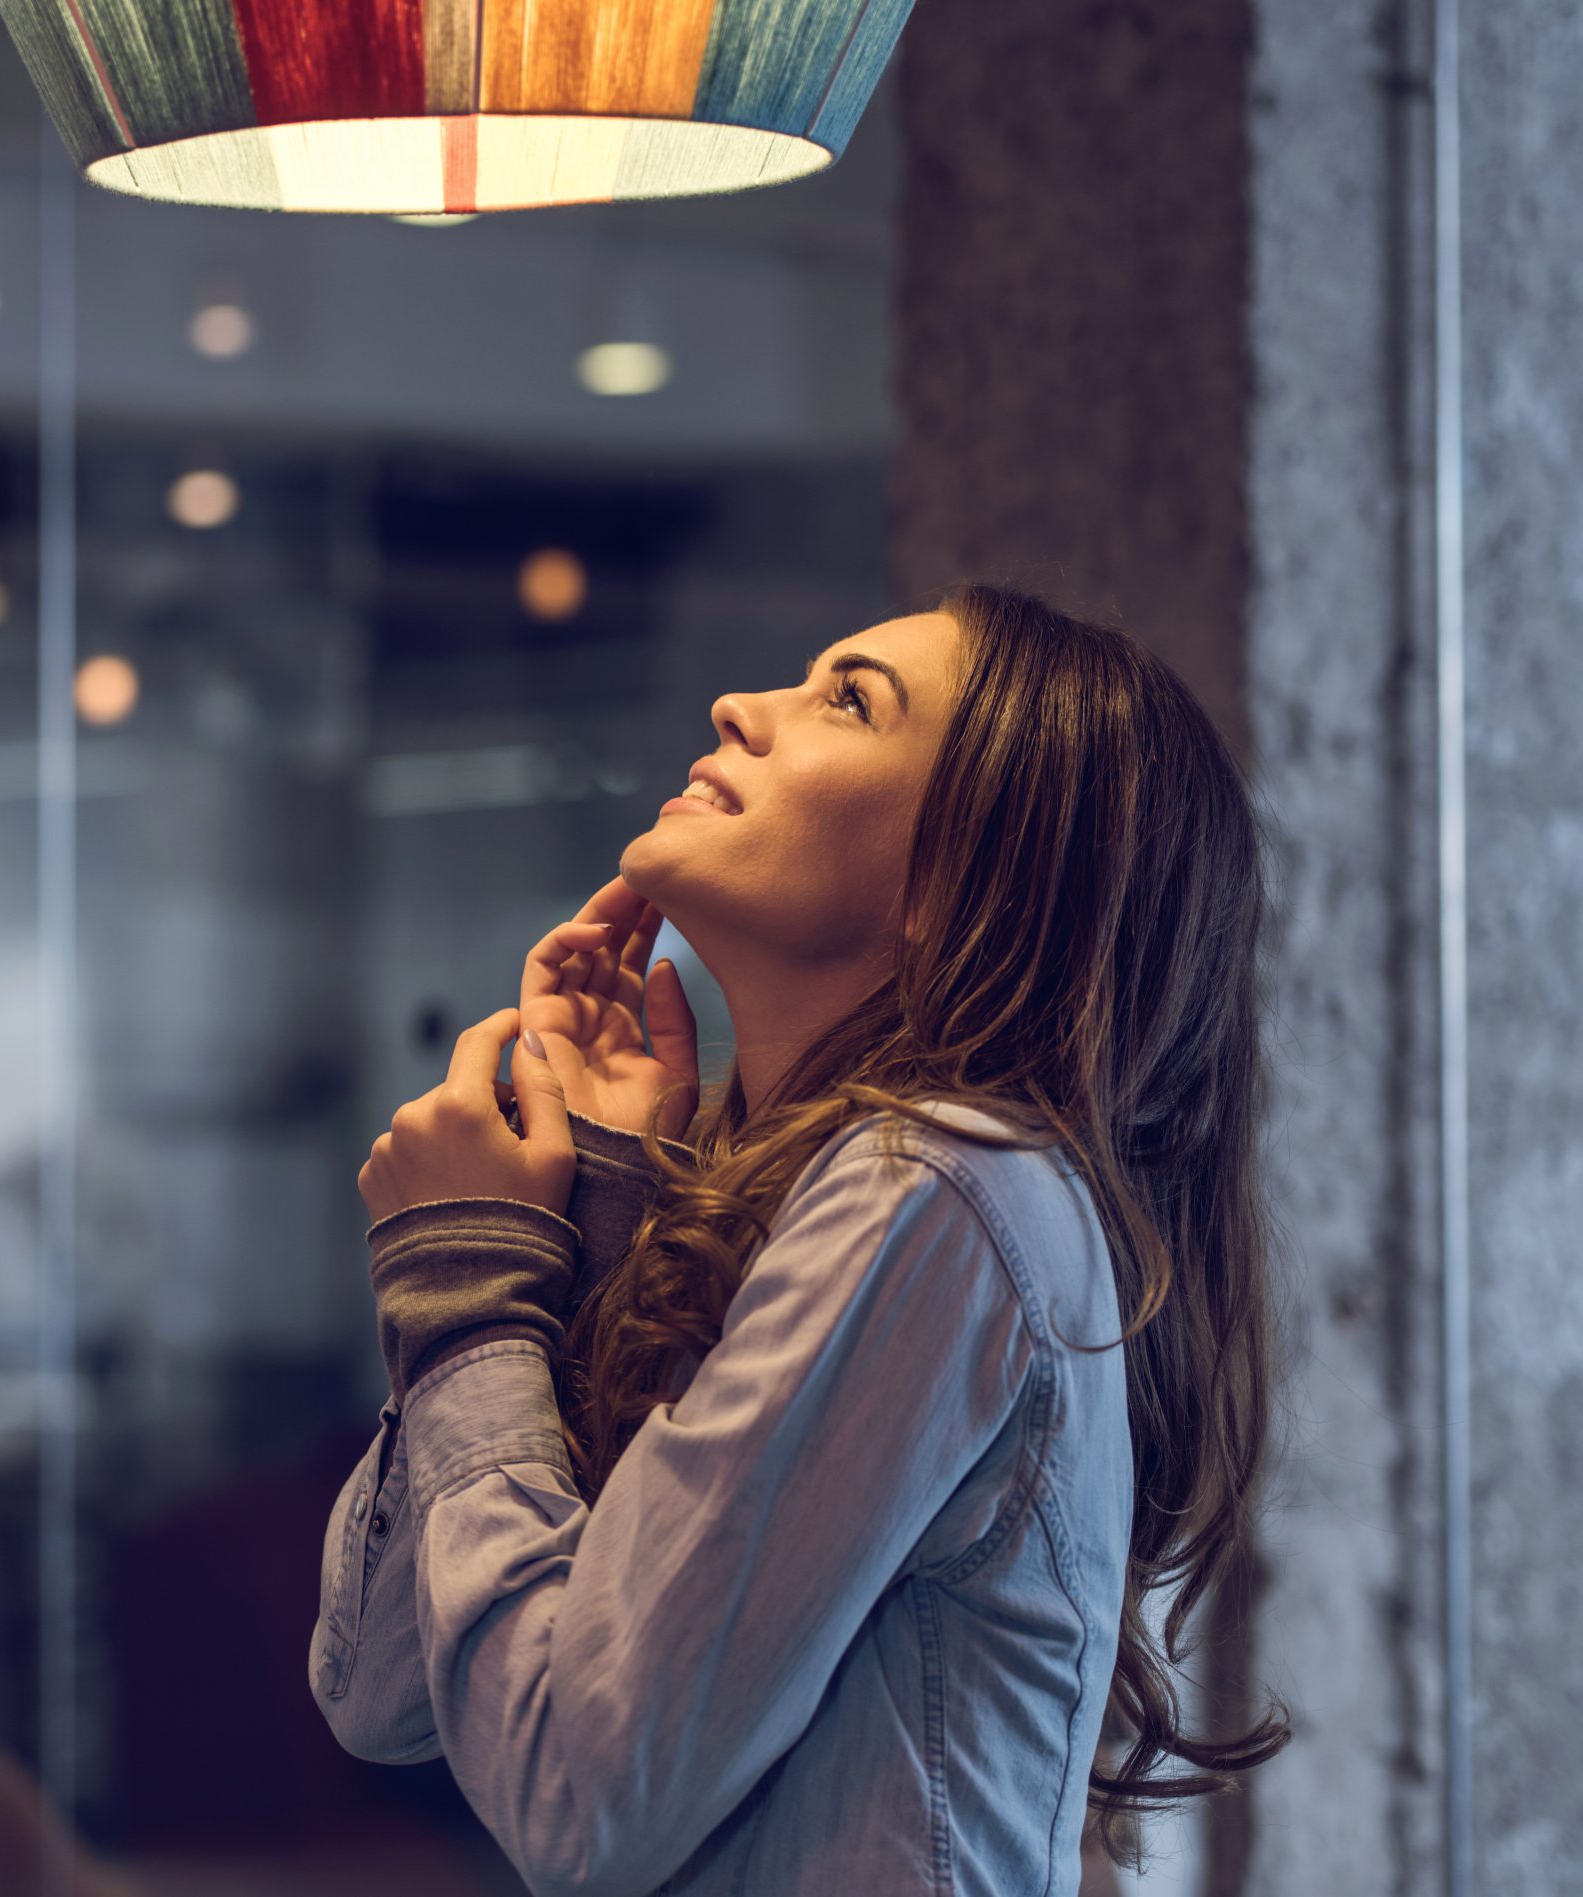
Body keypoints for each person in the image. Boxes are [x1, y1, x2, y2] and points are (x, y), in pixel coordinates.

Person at [312, 582, 1291, 1896]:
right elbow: (382, 1689)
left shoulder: (945, 1185)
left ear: (959, 883)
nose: (738, 705)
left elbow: (575, 1794)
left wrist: (468, 1290)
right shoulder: (833, 1199)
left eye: (848, 699)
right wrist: (591, 1218)